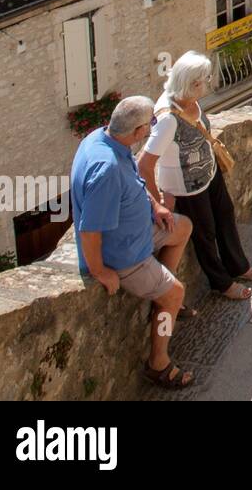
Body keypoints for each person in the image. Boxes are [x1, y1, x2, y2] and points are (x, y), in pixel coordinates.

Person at [72, 95, 196, 389]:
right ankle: (159, 363)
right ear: (138, 131)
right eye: (151, 123)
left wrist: (155, 206)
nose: (152, 128)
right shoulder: (106, 169)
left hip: (140, 230)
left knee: (183, 227)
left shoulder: (108, 140)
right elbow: (89, 231)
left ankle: (161, 293)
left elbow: (136, 180)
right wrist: (100, 271)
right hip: (125, 255)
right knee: (175, 295)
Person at [140, 51, 252, 301]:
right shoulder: (167, 118)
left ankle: (239, 267)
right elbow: (144, 164)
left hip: (209, 174)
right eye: (204, 80)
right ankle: (222, 283)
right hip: (186, 188)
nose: (208, 83)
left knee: (226, 215)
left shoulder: (189, 100)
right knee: (205, 234)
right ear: (192, 83)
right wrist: (158, 203)